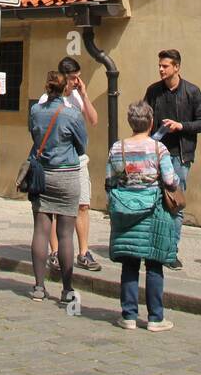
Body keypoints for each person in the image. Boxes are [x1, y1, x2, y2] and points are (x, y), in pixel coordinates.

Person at [106, 100, 178, 331]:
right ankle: (155, 318)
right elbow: (169, 180)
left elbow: (109, 180)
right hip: (154, 210)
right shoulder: (158, 149)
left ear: (131, 122)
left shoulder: (118, 148)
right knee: (154, 264)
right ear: (150, 122)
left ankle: (128, 315)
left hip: (126, 210)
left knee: (130, 262)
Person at [144, 48, 201, 269]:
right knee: (153, 201)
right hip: (155, 155)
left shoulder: (192, 91)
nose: (161, 69)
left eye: (165, 66)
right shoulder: (153, 91)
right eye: (160, 65)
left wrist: (181, 126)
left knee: (175, 203)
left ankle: (171, 252)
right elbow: (145, 120)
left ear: (177, 67)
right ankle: (154, 248)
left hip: (179, 156)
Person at [27, 70, 87, 305]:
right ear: (65, 89)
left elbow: (34, 136)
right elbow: (82, 145)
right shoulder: (72, 115)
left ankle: (39, 287)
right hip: (67, 176)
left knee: (41, 231)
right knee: (65, 235)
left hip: (42, 174)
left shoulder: (35, 111)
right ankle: (67, 289)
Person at [40, 59, 102, 275]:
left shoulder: (76, 96)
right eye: (74, 77)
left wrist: (84, 95)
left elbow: (93, 120)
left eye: (78, 77)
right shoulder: (47, 100)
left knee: (83, 205)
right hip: (56, 164)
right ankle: (55, 253)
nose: (77, 81)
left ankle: (83, 252)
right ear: (64, 78)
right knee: (55, 210)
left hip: (78, 162)